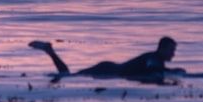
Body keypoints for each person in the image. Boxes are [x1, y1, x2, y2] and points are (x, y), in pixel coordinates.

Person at [28, 36, 180, 80]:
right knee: (68, 76)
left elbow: (156, 71)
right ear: (162, 48)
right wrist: (177, 72)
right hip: (107, 71)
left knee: (68, 76)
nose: (173, 54)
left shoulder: (154, 59)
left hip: (108, 70)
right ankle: (50, 51)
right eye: (171, 50)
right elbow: (155, 69)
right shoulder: (153, 58)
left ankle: (50, 51)